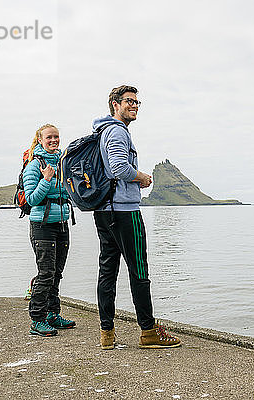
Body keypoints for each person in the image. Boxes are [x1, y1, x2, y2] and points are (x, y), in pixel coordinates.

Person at [92, 85, 181, 349]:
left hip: (105, 210)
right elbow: (119, 167)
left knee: (107, 272)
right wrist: (141, 176)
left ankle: (106, 334)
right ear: (115, 104)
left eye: (137, 102)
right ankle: (148, 331)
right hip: (124, 211)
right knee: (139, 270)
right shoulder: (117, 131)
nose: (134, 105)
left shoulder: (102, 132)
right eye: (129, 101)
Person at [23, 123, 76, 337]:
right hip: (42, 226)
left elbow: (69, 191)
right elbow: (31, 199)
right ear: (40, 140)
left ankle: (53, 314)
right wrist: (46, 179)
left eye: (56, 137)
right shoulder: (34, 165)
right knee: (46, 273)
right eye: (49, 137)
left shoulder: (63, 163)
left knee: (57, 273)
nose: (54, 140)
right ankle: (37, 320)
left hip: (62, 224)